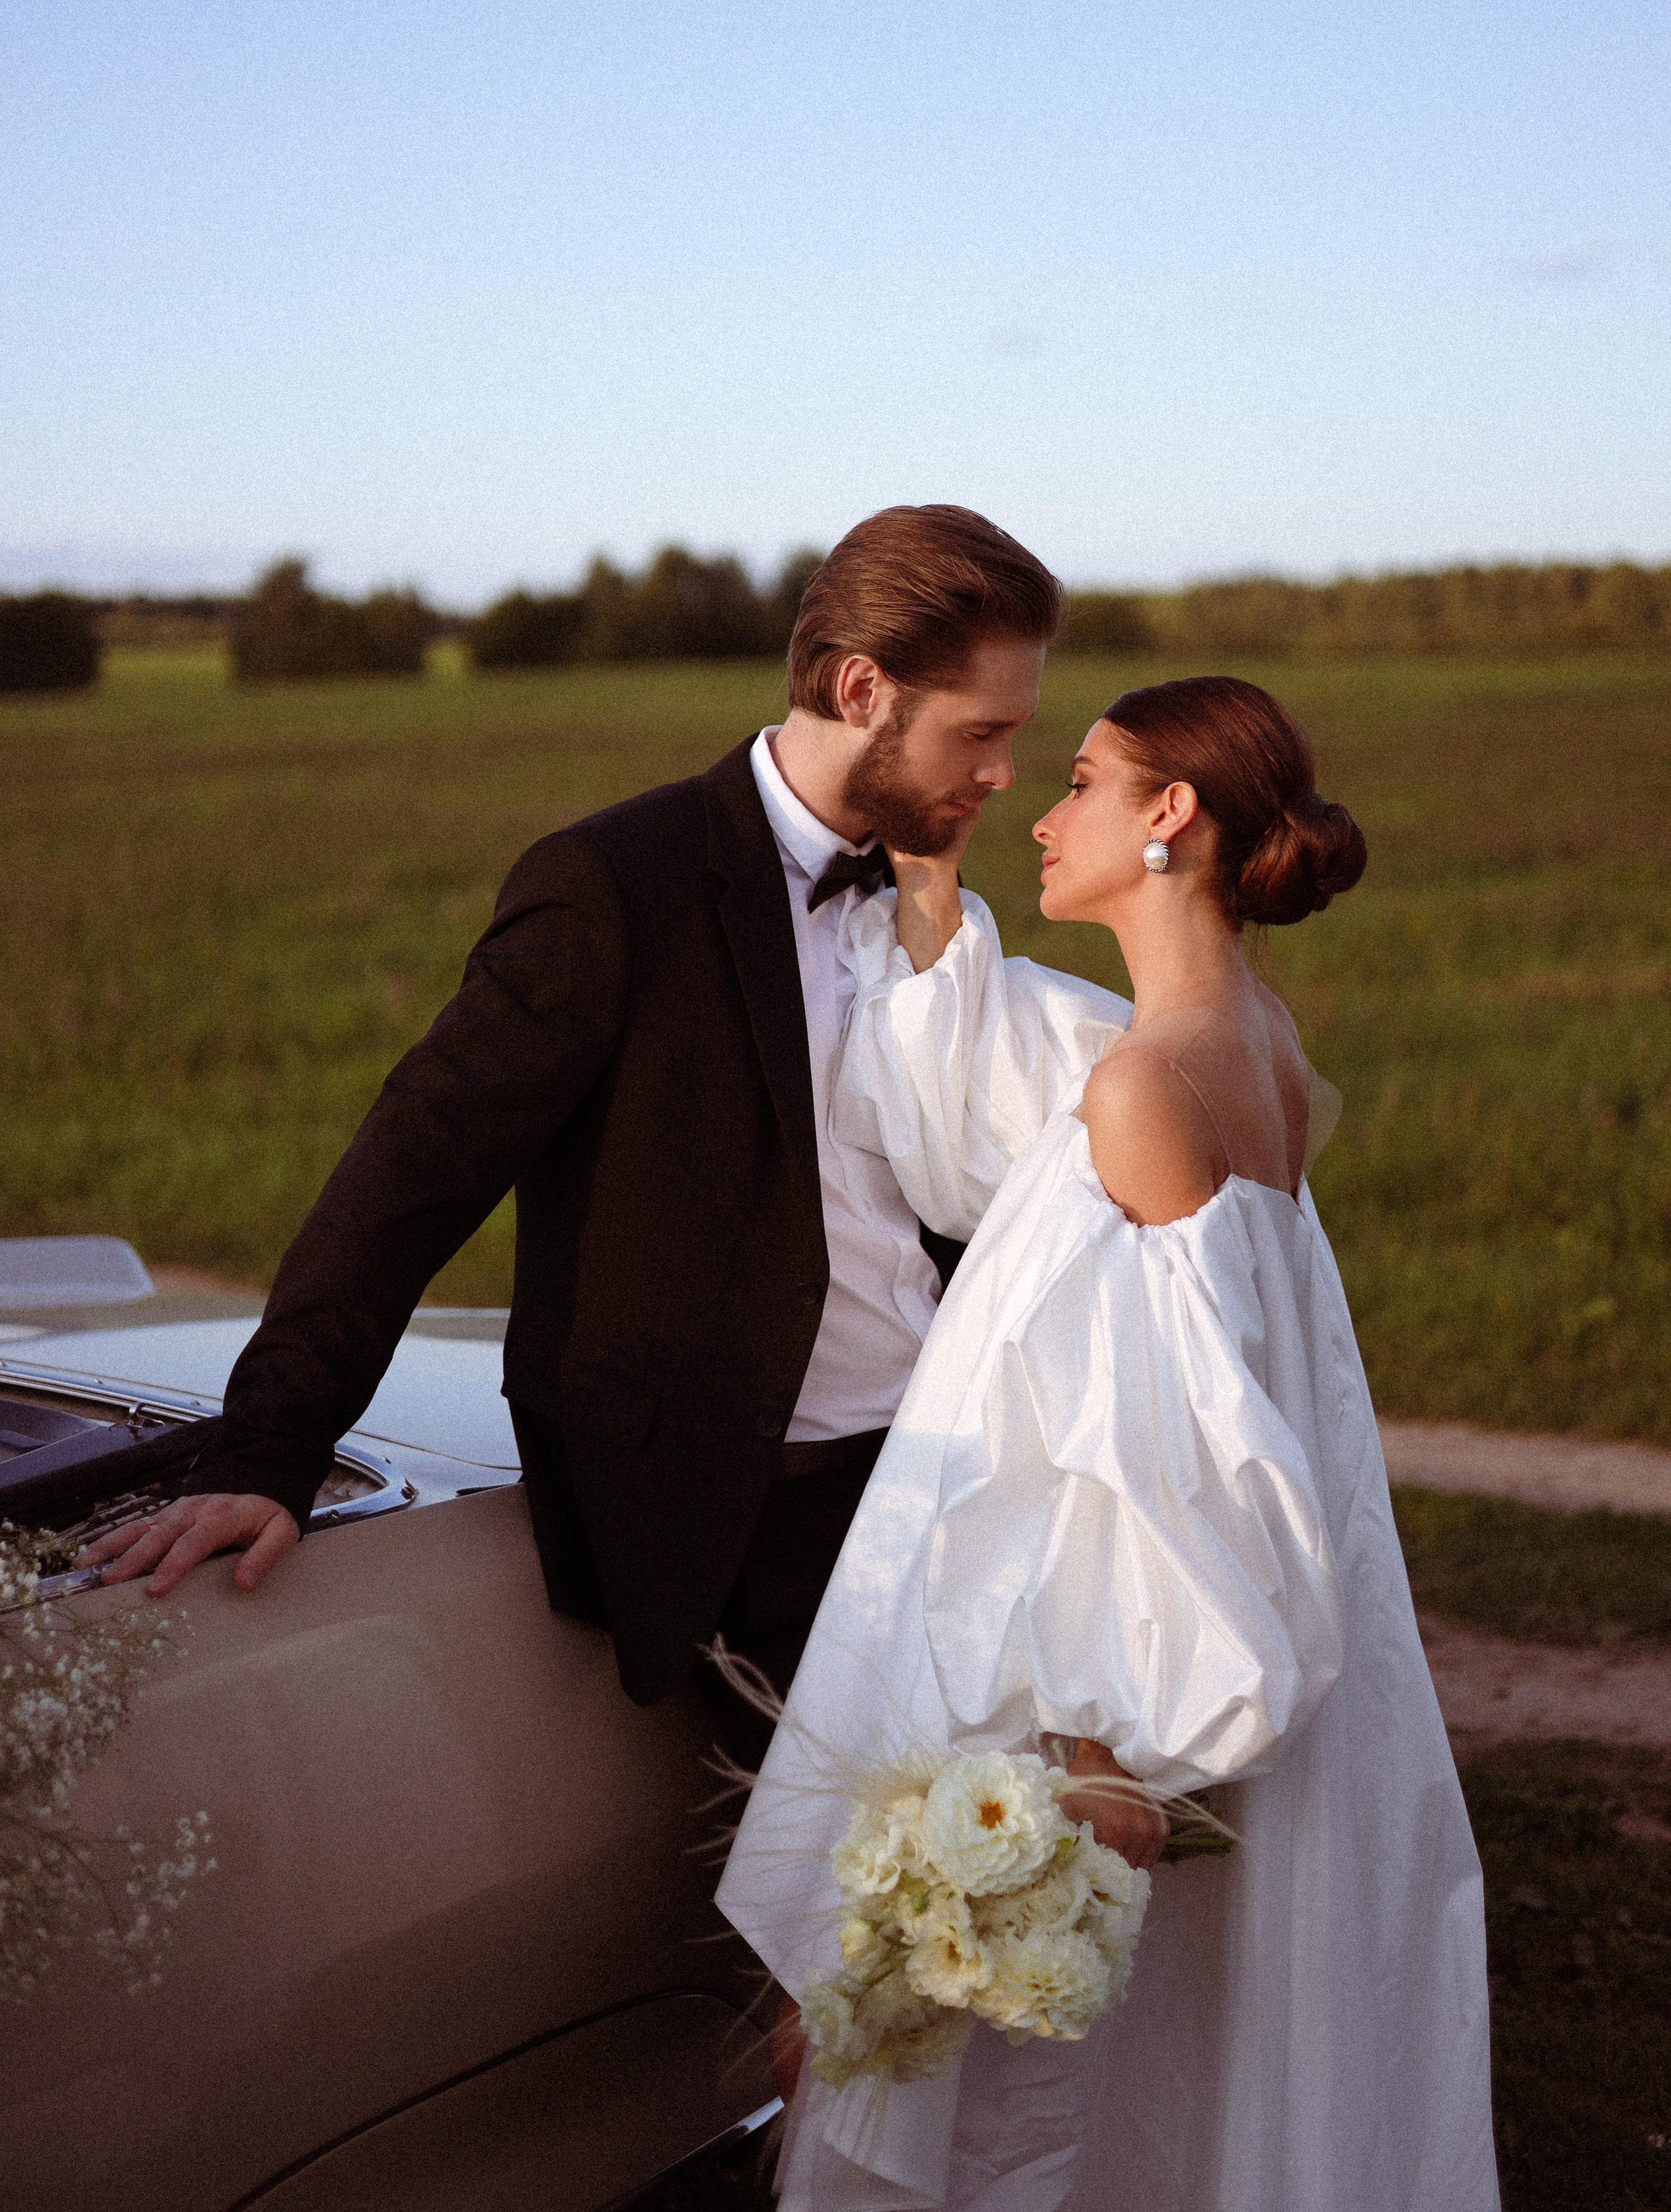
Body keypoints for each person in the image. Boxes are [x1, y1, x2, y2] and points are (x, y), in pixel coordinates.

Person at [81, 506, 1063, 1737]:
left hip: (945, 1472)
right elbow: (417, 1166)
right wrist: (264, 1454)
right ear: (862, 689)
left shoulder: (928, 885)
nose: (1002, 773)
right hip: (756, 1519)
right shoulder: (614, 887)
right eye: (982, 733)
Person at [718, 675, 1500, 2212]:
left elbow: (1154, 1462)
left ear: (1170, 813)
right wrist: (926, 890)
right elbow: (1028, 1162)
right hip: (1172, 1687)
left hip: (1096, 1710)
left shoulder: (1148, 1084)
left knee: (1031, 2111)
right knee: (1192, 2083)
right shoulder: (1247, 1045)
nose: (1043, 811)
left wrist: (1077, 1773)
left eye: (1081, 779)